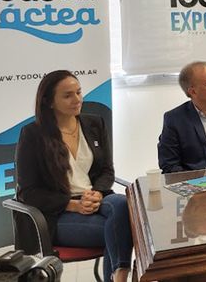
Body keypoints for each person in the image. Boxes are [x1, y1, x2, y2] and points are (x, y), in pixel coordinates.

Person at [15, 70, 132, 282]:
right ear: (49, 101)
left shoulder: (95, 123)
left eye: (79, 92)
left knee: (123, 205)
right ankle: (119, 276)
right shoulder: (33, 134)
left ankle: (119, 274)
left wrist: (96, 192)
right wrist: (72, 205)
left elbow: (107, 170)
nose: (77, 99)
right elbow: (28, 192)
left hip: (95, 199)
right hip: (57, 214)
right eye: (68, 95)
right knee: (120, 230)